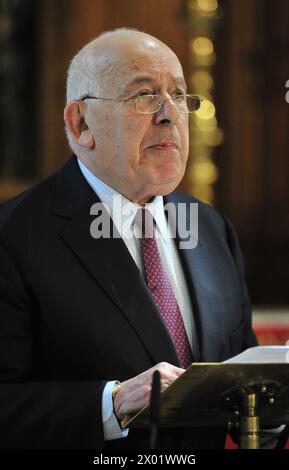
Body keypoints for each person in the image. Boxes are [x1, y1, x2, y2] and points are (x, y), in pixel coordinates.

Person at [0, 27, 282, 449]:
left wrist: (275, 407)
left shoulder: (211, 228)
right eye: (144, 95)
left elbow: (246, 387)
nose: (170, 114)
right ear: (81, 123)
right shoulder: (14, 237)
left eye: (180, 96)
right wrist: (111, 404)